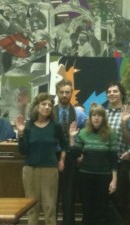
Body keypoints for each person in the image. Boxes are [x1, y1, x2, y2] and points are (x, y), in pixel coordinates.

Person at [16, 92, 67, 225]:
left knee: (50, 207)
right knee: (32, 208)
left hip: (50, 169)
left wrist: (62, 159)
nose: (47, 107)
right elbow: (23, 151)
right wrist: (21, 133)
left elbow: (64, 144)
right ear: (37, 107)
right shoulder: (28, 126)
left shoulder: (55, 126)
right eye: (43, 104)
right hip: (30, 169)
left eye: (49, 105)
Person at [69, 103, 118, 225]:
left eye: (99, 115)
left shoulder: (110, 133)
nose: (96, 118)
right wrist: (71, 138)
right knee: (87, 210)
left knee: (101, 211)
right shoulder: (84, 133)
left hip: (104, 176)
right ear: (90, 118)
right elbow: (75, 153)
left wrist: (114, 180)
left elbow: (113, 159)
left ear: (103, 118)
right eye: (94, 115)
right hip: (86, 176)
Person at [106, 82, 130, 225]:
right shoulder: (103, 113)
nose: (111, 94)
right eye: (109, 91)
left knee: (120, 199)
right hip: (105, 163)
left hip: (123, 161)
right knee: (106, 200)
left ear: (122, 94)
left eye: (115, 91)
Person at [53, 79, 80, 225]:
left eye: (67, 92)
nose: (64, 95)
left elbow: (83, 136)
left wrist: (80, 153)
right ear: (57, 93)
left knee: (69, 198)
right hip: (52, 158)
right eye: (61, 92)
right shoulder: (50, 112)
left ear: (71, 93)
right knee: (52, 197)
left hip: (70, 159)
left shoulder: (78, 114)